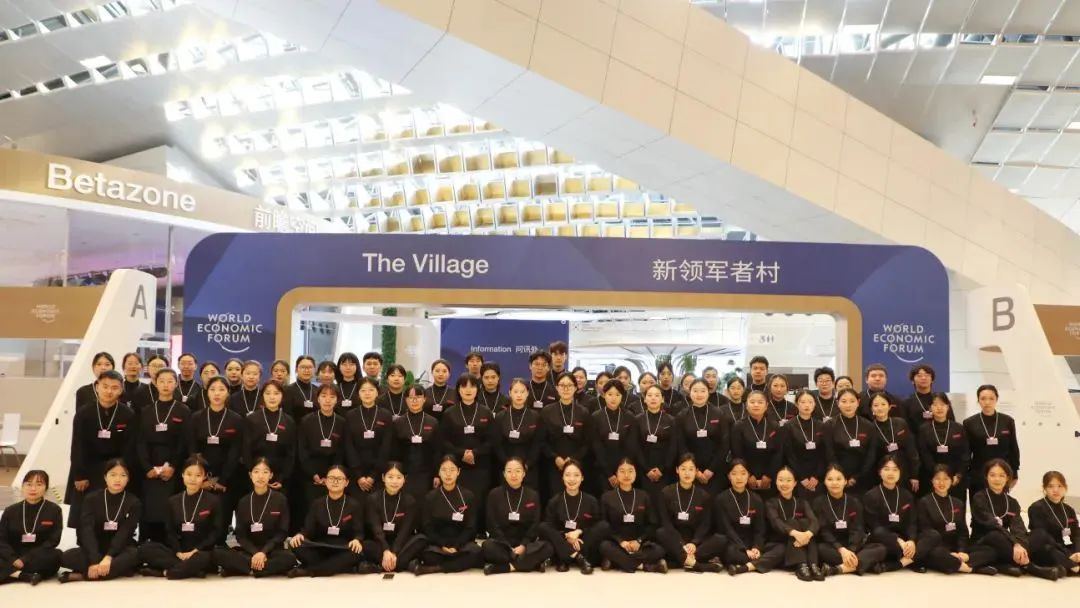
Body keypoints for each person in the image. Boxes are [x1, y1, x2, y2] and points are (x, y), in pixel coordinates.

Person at [68, 370, 136, 530]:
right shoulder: (84, 413)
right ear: (97, 386)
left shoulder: (128, 414)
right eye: (105, 386)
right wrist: (79, 475)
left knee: (112, 515)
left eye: (114, 387)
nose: (109, 391)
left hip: (115, 469)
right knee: (85, 517)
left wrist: (121, 473)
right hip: (88, 468)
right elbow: (77, 445)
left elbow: (129, 448)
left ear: (121, 390)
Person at [970, 459, 1060, 580]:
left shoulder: (1012, 502)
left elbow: (1018, 527)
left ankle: (1007, 564)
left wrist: (1020, 544)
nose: (997, 479)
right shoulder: (979, 498)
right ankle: (1030, 567)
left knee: (1039, 534)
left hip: (1006, 541)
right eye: (992, 475)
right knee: (995, 535)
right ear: (986, 477)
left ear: (1008, 478)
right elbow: (992, 525)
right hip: (985, 540)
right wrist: (1015, 543)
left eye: (1001, 475)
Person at [138, 456, 223, 579]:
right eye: (189, 474)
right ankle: (191, 570)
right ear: (182, 474)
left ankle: (168, 572)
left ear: (205, 477)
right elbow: (170, 531)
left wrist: (196, 551)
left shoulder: (213, 501)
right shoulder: (173, 501)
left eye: (198, 475)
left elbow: (216, 532)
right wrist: (178, 552)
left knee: (208, 557)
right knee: (145, 548)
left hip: (201, 552)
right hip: (179, 552)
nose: (192, 479)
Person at [59, 459, 141, 583]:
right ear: (105, 477)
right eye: (113, 475)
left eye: (123, 475)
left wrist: (109, 557)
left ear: (128, 479)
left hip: (120, 549)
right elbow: (87, 530)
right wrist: (94, 560)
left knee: (136, 554)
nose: (118, 479)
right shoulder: (91, 498)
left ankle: (84, 575)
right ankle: (110, 571)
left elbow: (125, 532)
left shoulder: (134, 502)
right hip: (95, 547)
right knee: (65, 557)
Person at [213, 458, 295, 578]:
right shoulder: (243, 501)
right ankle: (261, 569)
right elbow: (240, 535)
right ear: (250, 475)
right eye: (256, 472)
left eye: (265, 472)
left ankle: (247, 569)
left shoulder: (280, 499)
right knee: (218, 552)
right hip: (249, 551)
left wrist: (263, 552)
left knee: (290, 558)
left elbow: (282, 532)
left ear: (271, 475)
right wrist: (256, 553)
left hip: (272, 551)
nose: (260, 476)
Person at [135, 368, 191, 543]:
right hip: (150, 466)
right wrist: (147, 468)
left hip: (174, 466)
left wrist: (173, 466)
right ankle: (147, 545)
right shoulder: (146, 410)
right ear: (155, 383)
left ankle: (170, 545)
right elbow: (140, 441)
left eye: (170, 381)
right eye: (162, 381)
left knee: (170, 509)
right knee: (149, 508)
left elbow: (184, 442)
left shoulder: (183, 410)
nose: (166, 385)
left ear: (176, 384)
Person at [288, 464, 370, 577]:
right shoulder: (317, 504)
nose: (335, 481)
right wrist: (300, 535)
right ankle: (338, 567)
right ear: (325, 481)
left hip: (343, 548)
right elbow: (308, 530)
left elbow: (359, 532)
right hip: (320, 547)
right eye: (331, 478)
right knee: (296, 544)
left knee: (357, 552)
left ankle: (309, 570)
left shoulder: (354, 505)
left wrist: (357, 540)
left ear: (346, 482)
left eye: (339, 479)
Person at [917, 465, 997, 575]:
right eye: (937, 479)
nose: (941, 483)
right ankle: (972, 568)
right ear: (932, 481)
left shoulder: (958, 503)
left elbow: (962, 531)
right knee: (936, 554)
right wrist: (949, 554)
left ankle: (956, 564)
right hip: (937, 547)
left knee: (990, 551)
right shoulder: (924, 502)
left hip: (955, 547)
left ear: (952, 480)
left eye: (946, 479)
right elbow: (927, 532)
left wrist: (961, 551)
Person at [189, 376, 245, 530]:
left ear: (228, 393)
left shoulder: (236, 419)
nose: (217, 393)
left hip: (227, 478)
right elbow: (193, 449)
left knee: (222, 520)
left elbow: (235, 452)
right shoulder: (196, 417)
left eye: (221, 389)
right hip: (200, 477)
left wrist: (222, 480)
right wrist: (202, 478)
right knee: (201, 520)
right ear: (207, 392)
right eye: (213, 389)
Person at [440, 374, 494, 530]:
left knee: (479, 498)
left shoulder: (486, 412)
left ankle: (479, 530)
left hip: (481, 465)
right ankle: (460, 530)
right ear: (458, 389)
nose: (468, 390)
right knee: (459, 500)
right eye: (464, 386)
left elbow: (492, 440)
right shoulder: (449, 413)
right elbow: (444, 441)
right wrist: (462, 453)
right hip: (457, 466)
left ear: (478, 389)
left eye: (472, 386)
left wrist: (475, 453)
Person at [412, 456, 483, 575]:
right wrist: (442, 545)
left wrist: (456, 546)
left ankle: (437, 568)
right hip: (438, 544)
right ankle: (457, 563)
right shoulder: (430, 497)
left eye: (452, 470)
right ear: (439, 472)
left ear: (458, 472)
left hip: (461, 544)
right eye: (444, 470)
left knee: (476, 551)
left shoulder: (468, 496)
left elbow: (470, 527)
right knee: (426, 553)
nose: (448, 474)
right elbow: (427, 526)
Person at [811, 464, 886, 576]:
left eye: (838, 479)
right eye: (830, 479)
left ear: (845, 481)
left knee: (881, 548)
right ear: (825, 482)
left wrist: (851, 550)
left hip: (853, 545)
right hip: (832, 546)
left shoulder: (854, 502)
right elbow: (823, 530)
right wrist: (841, 549)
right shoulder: (818, 502)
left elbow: (858, 528)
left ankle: (838, 569)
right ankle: (864, 564)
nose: (834, 483)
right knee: (820, 549)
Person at [482, 457, 552, 574]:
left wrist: (523, 545)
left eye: (518, 471)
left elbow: (535, 524)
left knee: (548, 547)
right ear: (504, 474)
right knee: (486, 546)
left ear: (524, 473)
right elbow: (492, 524)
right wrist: (508, 546)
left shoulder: (533, 495)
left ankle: (506, 567)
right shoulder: (494, 494)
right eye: (509, 471)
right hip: (502, 544)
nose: (513, 475)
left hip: (526, 544)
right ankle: (529, 563)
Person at [597, 458, 667, 573]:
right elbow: (604, 526)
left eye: (630, 471)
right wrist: (620, 541)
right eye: (622, 471)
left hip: (639, 545)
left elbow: (652, 524)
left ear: (635, 474)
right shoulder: (607, 497)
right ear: (616, 474)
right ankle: (644, 566)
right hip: (616, 544)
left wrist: (638, 541)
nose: (626, 475)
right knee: (604, 546)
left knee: (659, 550)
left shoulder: (643, 496)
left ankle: (617, 562)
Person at [656, 454, 724, 572]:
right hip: (674, 539)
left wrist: (694, 543)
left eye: (691, 469)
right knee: (661, 532)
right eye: (683, 469)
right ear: (677, 470)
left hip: (695, 542)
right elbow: (666, 522)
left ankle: (680, 560)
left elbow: (705, 524)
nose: (687, 473)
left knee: (721, 539)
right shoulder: (666, 492)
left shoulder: (704, 496)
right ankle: (697, 565)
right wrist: (681, 543)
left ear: (696, 471)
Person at [863, 455, 930, 572]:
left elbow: (912, 522)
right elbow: (874, 526)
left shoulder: (907, 495)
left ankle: (898, 563)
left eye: (895, 469)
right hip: (883, 539)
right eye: (886, 469)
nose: (891, 473)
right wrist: (898, 541)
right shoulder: (871, 495)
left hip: (904, 540)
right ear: (879, 472)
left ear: (900, 473)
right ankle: (912, 559)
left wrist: (911, 541)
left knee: (932, 535)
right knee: (878, 534)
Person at [719, 459, 784, 575]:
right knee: (728, 550)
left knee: (781, 548)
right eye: (734, 473)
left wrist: (756, 547)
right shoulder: (721, 499)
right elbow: (726, 529)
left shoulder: (756, 499)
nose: (739, 477)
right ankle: (759, 562)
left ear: (748, 475)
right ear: (729, 476)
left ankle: (745, 567)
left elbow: (760, 529)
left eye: (743, 473)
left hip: (752, 543)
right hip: (733, 543)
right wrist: (744, 549)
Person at [0, 470, 63, 584]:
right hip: (14, 554)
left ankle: (11, 573)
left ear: (46, 488)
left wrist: (25, 559)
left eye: (39, 484)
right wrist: (13, 559)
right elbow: (2, 539)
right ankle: (23, 575)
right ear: (22, 487)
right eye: (29, 484)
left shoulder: (54, 510)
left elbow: (53, 540)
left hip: (39, 555)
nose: (33, 489)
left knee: (56, 556)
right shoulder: (10, 511)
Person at [539, 459, 601, 573]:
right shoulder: (554, 501)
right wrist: (566, 535)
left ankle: (564, 558)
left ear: (582, 478)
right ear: (562, 477)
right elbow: (549, 525)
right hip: (561, 539)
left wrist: (579, 532)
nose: (572, 479)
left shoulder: (591, 501)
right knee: (543, 527)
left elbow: (596, 524)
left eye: (576, 475)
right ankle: (578, 557)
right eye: (567, 475)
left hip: (582, 540)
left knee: (604, 526)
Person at [363, 462, 426, 573]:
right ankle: (400, 564)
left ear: (404, 479)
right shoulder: (373, 499)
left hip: (402, 543)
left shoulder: (410, 501)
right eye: (390, 477)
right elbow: (376, 528)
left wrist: (394, 552)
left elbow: (405, 531)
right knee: (365, 545)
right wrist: (386, 550)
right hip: (380, 542)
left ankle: (382, 565)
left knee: (421, 539)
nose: (394, 481)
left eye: (398, 477)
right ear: (383, 478)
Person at [765, 467, 823, 581]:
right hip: (780, 541)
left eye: (788, 480)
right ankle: (802, 564)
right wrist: (795, 533)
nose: (784, 484)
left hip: (802, 540)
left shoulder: (802, 502)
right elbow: (776, 522)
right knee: (792, 522)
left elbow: (814, 521)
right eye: (781, 480)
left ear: (795, 483)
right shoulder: (771, 502)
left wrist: (807, 534)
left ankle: (813, 564)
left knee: (805, 522)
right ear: (776, 482)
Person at [539, 372, 590, 501]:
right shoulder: (547, 411)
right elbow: (541, 440)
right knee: (554, 496)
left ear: (575, 387)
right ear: (557, 387)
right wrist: (555, 457)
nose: (566, 389)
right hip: (552, 462)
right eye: (562, 385)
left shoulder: (583, 412)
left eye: (569, 385)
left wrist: (573, 459)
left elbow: (587, 442)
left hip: (577, 462)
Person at [964, 384, 1020, 496]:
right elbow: (966, 452)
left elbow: (1013, 448)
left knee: (999, 504)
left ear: (996, 399)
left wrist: (1014, 473)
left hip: (1001, 474)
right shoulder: (969, 423)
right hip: (978, 474)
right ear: (978, 400)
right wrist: (966, 475)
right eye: (983, 398)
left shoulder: (1007, 421)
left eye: (991, 398)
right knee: (979, 503)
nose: (987, 402)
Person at [242, 379, 296, 493]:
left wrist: (282, 477)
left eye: (276, 393)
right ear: (262, 396)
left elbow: (291, 453)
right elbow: (246, 450)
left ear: (282, 396)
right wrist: (254, 473)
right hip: (255, 474)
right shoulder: (252, 419)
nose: (272, 397)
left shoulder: (289, 421)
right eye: (268, 393)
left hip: (279, 476)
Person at [677, 379, 729, 495]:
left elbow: (725, 444)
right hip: (690, 470)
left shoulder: (719, 414)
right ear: (689, 392)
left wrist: (711, 469)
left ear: (708, 392)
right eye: (695, 391)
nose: (699, 394)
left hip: (715, 469)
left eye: (703, 391)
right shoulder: (682, 416)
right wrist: (694, 470)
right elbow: (681, 444)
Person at [344, 377, 393, 496]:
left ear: (377, 392)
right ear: (358, 393)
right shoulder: (350, 415)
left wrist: (373, 475)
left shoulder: (386, 415)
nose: (367, 393)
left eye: (371, 390)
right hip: (355, 472)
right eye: (363, 390)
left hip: (378, 472)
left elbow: (386, 446)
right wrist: (358, 475)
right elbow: (348, 446)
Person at [824, 388, 878, 494]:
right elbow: (829, 453)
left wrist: (858, 476)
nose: (848, 405)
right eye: (844, 401)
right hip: (837, 477)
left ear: (858, 402)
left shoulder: (868, 425)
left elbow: (871, 454)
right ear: (837, 403)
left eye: (852, 401)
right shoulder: (830, 425)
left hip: (863, 476)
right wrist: (840, 476)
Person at [298, 385, 346, 504]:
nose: (327, 400)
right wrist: (313, 474)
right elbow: (302, 450)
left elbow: (342, 451)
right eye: (324, 396)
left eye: (332, 397)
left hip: (334, 474)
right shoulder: (306, 420)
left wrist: (333, 474)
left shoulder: (342, 422)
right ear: (318, 398)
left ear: (337, 400)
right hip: (311, 473)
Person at [1026, 471, 1080, 576]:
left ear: (1065, 488)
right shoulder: (1037, 508)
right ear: (1045, 488)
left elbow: (1076, 534)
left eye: (1059, 486)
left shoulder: (1069, 510)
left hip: (1064, 548)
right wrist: (1067, 554)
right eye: (1051, 486)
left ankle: (1067, 565)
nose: (1056, 490)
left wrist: (1078, 552)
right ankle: (1072, 566)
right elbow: (1043, 536)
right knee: (1047, 547)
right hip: (1047, 547)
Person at [392, 384, 441, 499]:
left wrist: (437, 474)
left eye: (418, 397)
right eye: (411, 397)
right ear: (406, 400)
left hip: (426, 474)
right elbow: (393, 451)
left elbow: (437, 451)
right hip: (403, 473)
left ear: (424, 399)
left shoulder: (433, 422)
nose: (414, 401)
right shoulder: (398, 423)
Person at [729, 391, 781, 498]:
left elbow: (778, 453)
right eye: (752, 402)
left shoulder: (774, 425)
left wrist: (769, 475)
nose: (756, 405)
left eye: (760, 402)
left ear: (766, 405)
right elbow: (737, 453)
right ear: (747, 405)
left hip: (770, 476)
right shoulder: (739, 426)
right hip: (746, 476)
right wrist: (748, 475)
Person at [917, 392, 970, 499]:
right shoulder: (923, 429)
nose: (939, 408)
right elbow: (924, 454)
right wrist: (938, 477)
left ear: (948, 407)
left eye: (942, 404)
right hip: (932, 479)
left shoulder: (958, 428)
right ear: (930, 408)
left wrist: (958, 475)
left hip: (955, 479)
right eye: (935, 404)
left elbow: (965, 453)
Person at [590, 379, 638, 496]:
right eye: (610, 394)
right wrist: (609, 474)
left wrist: (621, 471)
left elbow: (631, 446)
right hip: (601, 469)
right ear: (604, 395)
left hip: (624, 469)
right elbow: (596, 446)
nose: (613, 398)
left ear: (622, 396)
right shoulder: (596, 417)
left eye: (617, 395)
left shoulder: (629, 417)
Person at [493, 378, 543, 489]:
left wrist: (527, 464)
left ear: (527, 393)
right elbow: (497, 444)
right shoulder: (500, 416)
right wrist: (508, 465)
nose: (519, 395)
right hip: (506, 466)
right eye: (515, 391)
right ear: (510, 393)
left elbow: (537, 443)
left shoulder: (535, 416)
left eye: (522, 391)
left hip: (529, 467)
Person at [868, 392, 920, 494]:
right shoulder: (869, 428)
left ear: (889, 406)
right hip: (882, 473)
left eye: (883, 404)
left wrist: (914, 475)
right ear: (871, 409)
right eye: (876, 405)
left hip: (904, 470)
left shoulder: (901, 423)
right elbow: (872, 457)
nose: (880, 408)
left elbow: (911, 450)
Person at [781, 389, 827, 498]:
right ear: (796, 404)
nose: (807, 405)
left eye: (810, 402)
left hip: (817, 475)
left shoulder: (821, 425)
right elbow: (789, 454)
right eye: (803, 402)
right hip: (797, 474)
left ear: (815, 404)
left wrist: (817, 476)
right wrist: (801, 477)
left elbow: (824, 453)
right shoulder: (788, 426)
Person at [637, 385, 678, 505]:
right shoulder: (637, 420)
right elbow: (636, 447)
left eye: (657, 395)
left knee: (664, 501)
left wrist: (663, 469)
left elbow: (673, 447)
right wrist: (646, 469)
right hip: (643, 469)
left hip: (665, 470)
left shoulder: (671, 420)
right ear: (644, 399)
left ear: (662, 399)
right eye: (649, 395)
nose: (653, 398)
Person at [901, 364, 942, 431]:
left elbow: (950, 421)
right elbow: (905, 427)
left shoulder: (941, 399)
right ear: (912, 381)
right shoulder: (907, 402)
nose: (923, 378)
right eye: (919, 376)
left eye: (927, 375)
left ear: (932, 380)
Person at [284, 355, 317, 421]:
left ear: (314, 370)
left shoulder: (318, 390)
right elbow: (286, 416)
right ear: (296, 370)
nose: (306, 370)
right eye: (303, 367)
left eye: (310, 367)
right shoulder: (287, 390)